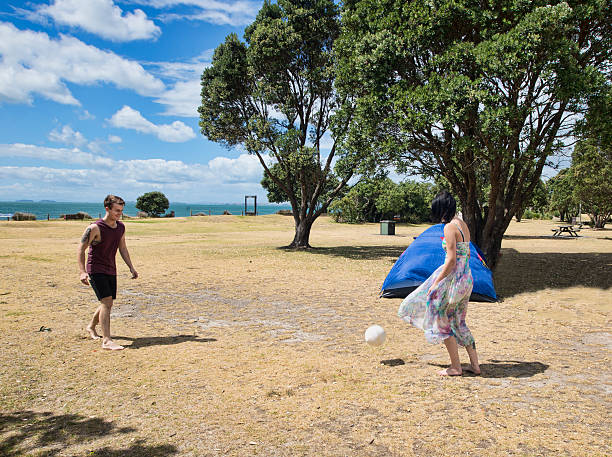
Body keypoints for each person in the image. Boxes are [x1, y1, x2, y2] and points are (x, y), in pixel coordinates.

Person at [397, 191, 480, 376]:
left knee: (442, 320)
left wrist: (436, 283)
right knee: (459, 321)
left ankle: (456, 367)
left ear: (442, 209)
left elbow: (450, 261)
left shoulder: (449, 227)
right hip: (466, 279)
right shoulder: (462, 224)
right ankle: (475, 365)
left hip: (454, 280)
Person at [77, 195, 138, 350]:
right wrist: (82, 272)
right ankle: (107, 340)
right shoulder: (95, 228)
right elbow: (81, 249)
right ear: (107, 208)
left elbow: (122, 248)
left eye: (121, 211)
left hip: (111, 268)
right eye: (116, 210)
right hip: (96, 269)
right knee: (107, 302)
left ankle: (91, 326)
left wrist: (131, 267)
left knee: (107, 302)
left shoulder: (121, 227)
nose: (119, 213)